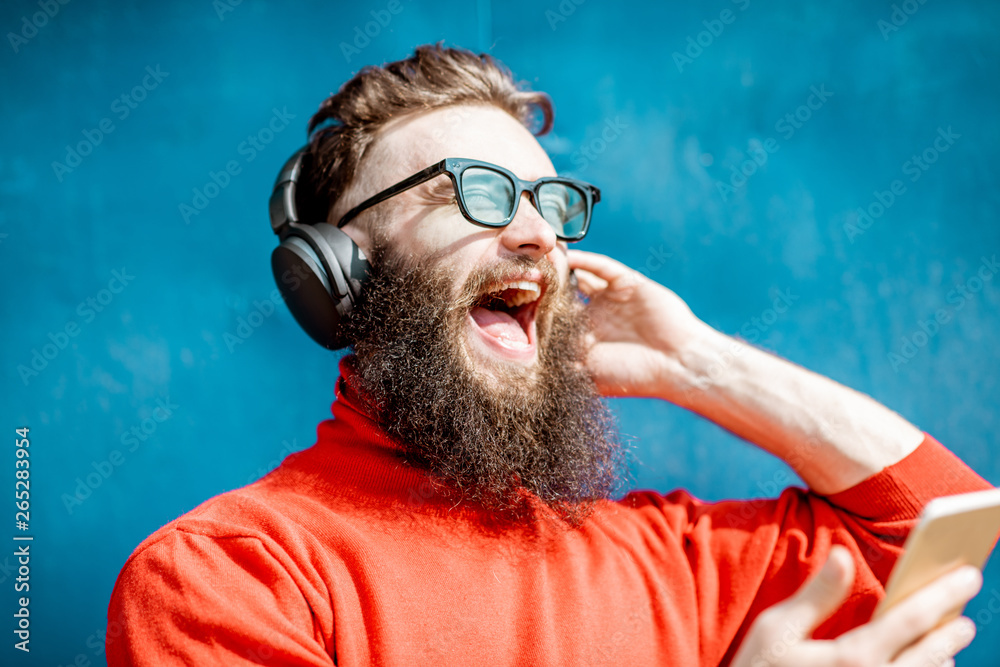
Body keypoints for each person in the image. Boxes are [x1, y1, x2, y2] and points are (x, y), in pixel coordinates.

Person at [107, 42, 992, 666]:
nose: (538, 235)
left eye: (551, 202)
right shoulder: (231, 572)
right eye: (479, 195)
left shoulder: (658, 557)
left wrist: (698, 364)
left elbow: (944, 523)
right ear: (339, 272)